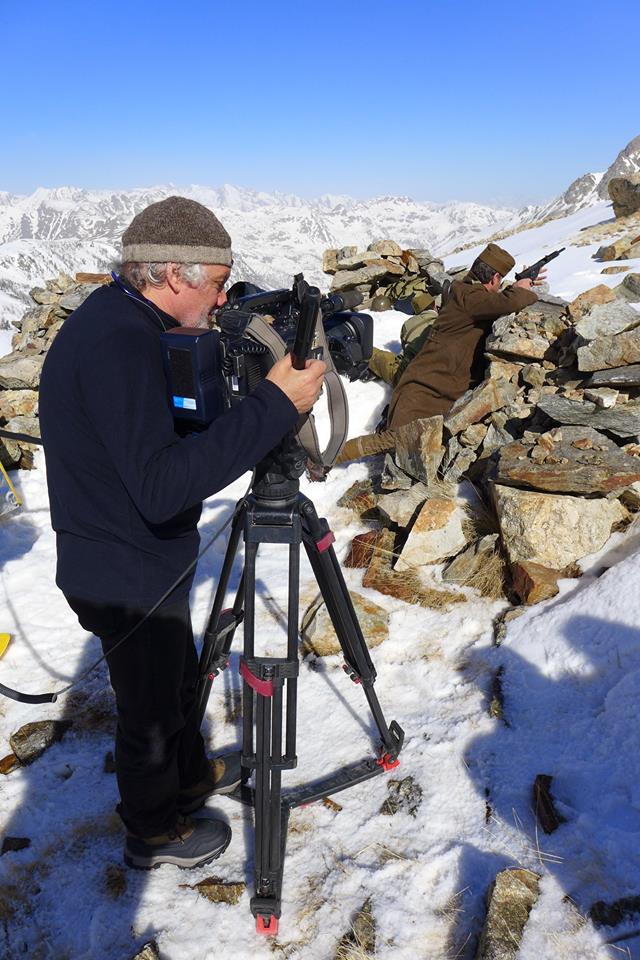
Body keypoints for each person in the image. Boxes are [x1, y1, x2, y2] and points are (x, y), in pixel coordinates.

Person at [38, 196, 326, 871]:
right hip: (121, 572)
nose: (224, 296)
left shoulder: (123, 319)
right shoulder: (118, 342)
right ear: (172, 275)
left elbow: (149, 441)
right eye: (218, 282)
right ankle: (154, 832)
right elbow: (162, 483)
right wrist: (275, 406)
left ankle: (190, 781)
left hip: (131, 556)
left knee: (170, 681)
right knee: (147, 709)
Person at [336, 243, 543, 463]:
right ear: (493, 279)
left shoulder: (465, 290)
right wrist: (522, 288)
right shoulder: (471, 299)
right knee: (395, 439)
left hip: (433, 384)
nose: (499, 285)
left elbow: (494, 300)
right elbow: (511, 301)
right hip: (425, 388)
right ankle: (330, 459)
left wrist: (521, 284)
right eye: (500, 280)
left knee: (407, 437)